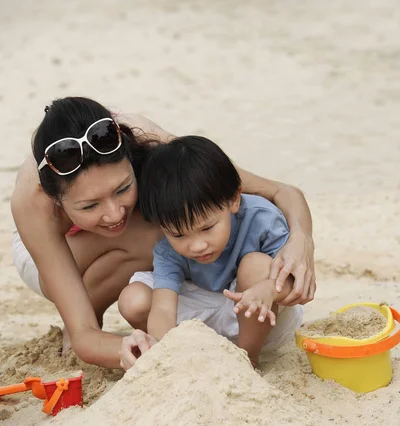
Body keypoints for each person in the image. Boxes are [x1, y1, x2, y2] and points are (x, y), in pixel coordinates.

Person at [11, 96, 315, 369]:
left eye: (123, 188)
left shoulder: (151, 143)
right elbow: (83, 338)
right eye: (89, 205)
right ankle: (85, 304)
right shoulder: (34, 203)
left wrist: (301, 241)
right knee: (158, 236)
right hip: (54, 252)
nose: (114, 212)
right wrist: (121, 347)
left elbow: (280, 191)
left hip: (144, 240)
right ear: (56, 199)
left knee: (176, 219)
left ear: (131, 158)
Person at [118, 136, 303, 368]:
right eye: (179, 235)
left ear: (234, 200)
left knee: (257, 266)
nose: (196, 246)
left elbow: (293, 277)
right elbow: (164, 308)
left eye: (207, 228)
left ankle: (248, 359)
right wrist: (163, 353)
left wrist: (269, 289)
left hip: (262, 315)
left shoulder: (262, 219)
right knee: (133, 299)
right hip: (209, 314)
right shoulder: (168, 248)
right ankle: (192, 353)